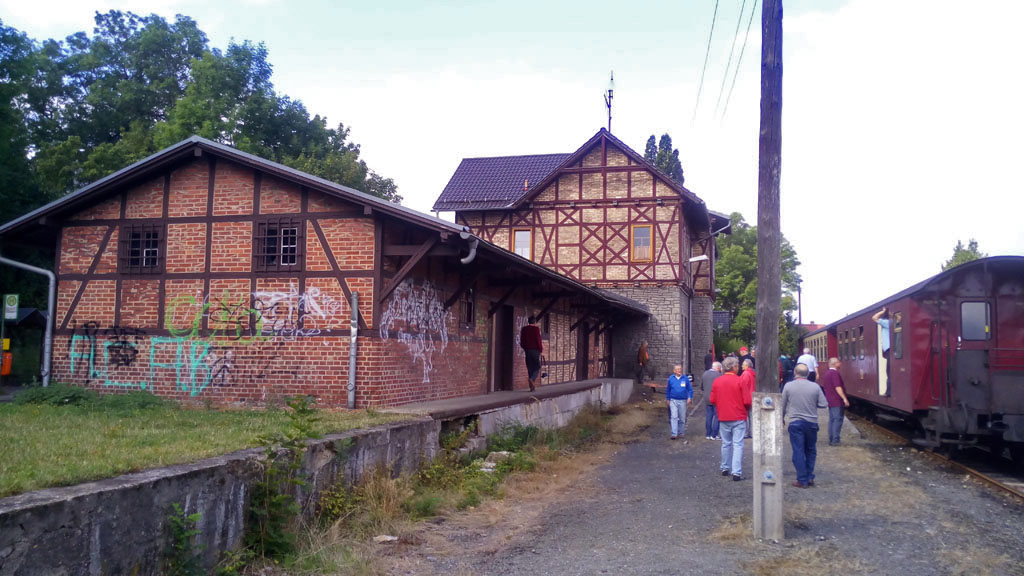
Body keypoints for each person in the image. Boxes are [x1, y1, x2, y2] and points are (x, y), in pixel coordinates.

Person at [781, 363, 828, 488]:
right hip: (811, 423)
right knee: (811, 450)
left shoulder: (788, 386)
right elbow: (823, 404)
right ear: (808, 374)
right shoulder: (815, 387)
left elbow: (783, 405)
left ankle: (802, 479)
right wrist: (811, 403)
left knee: (798, 451)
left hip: (795, 422)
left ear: (795, 373)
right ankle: (809, 476)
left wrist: (781, 419)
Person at [709, 357, 751, 481]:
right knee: (738, 444)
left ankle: (725, 467)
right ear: (734, 367)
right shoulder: (740, 381)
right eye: (737, 366)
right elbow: (747, 400)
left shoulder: (717, 381)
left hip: (723, 416)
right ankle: (736, 472)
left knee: (726, 443)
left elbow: (712, 399)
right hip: (738, 416)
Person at [820, 357, 851, 446]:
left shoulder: (827, 373)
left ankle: (832, 438)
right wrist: (844, 398)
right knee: (837, 420)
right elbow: (838, 387)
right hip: (836, 400)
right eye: (838, 362)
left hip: (830, 400)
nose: (840, 363)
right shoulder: (834, 374)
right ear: (835, 364)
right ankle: (835, 439)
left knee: (832, 420)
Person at [666, 363, 693, 439]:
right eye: (678, 369)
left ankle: (681, 432)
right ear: (674, 371)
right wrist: (668, 399)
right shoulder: (671, 378)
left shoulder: (685, 379)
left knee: (682, 418)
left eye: (680, 369)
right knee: (674, 416)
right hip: (673, 400)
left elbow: (690, 389)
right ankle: (674, 434)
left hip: (682, 401)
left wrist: (689, 397)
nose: (679, 370)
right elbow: (668, 390)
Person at [519, 316, 543, 392]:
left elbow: (522, 340)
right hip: (535, 350)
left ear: (528, 321)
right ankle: (532, 379)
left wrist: (525, 348)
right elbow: (538, 340)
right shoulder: (536, 329)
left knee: (530, 367)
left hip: (527, 350)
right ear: (535, 322)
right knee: (537, 366)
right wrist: (541, 349)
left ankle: (531, 387)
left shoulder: (524, 329)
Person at [872, 307, 891, 396]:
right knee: (889, 371)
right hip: (890, 350)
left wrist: (883, 311)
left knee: (889, 371)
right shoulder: (892, 323)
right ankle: (888, 391)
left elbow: (874, 318)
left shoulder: (887, 323)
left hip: (889, 349)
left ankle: (889, 392)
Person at [701, 361, 722, 440]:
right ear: (718, 368)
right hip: (716, 399)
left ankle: (708, 434)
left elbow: (701, 387)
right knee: (717, 416)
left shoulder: (704, 374)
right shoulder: (719, 375)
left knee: (709, 416)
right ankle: (714, 435)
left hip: (707, 398)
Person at [739, 359, 756, 438]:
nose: (741, 365)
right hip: (753, 396)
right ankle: (752, 433)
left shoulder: (745, 373)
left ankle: (746, 433)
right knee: (752, 416)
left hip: (746, 397)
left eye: (743, 364)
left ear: (747, 366)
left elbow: (743, 385)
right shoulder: (753, 373)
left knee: (745, 417)